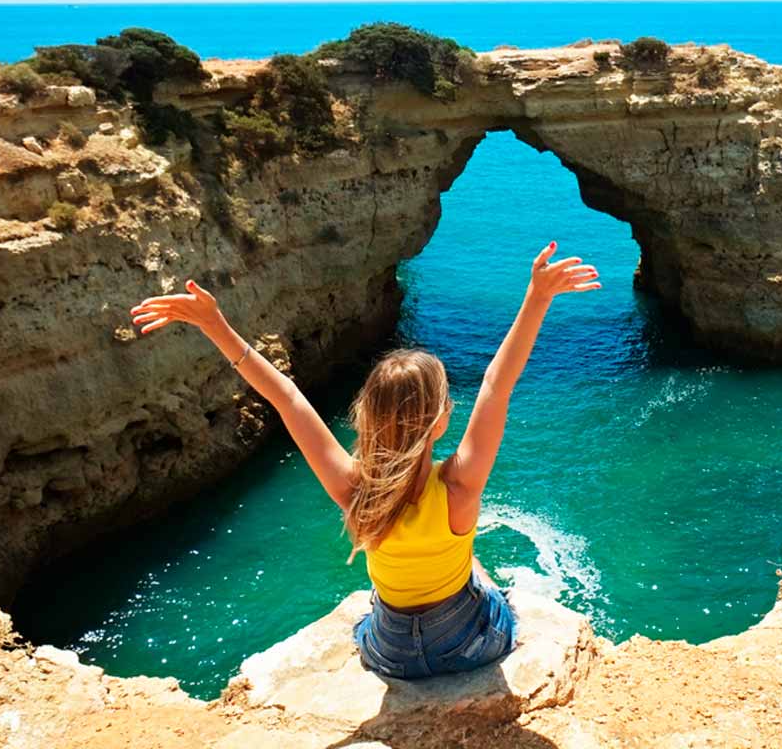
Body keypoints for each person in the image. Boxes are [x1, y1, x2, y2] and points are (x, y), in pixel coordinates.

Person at [130, 241, 599, 679]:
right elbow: (498, 384)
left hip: (391, 652)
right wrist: (537, 298)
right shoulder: (459, 485)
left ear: (369, 419)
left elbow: (287, 398)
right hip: (463, 644)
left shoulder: (354, 488)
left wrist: (216, 326)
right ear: (439, 423)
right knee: (490, 589)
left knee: (395, 600)